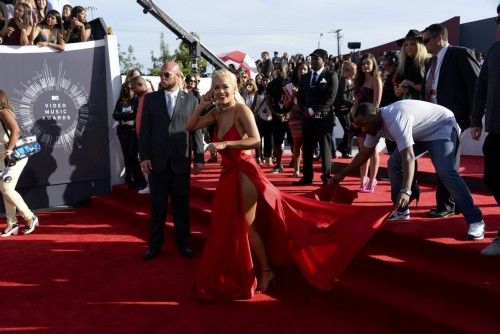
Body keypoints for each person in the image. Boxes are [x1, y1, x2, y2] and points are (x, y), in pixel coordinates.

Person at [186, 69, 388, 300]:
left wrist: (225, 145)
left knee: (246, 224)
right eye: (216, 87)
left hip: (244, 171)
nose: (220, 91)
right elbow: (190, 126)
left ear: (234, 88)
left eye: (224, 87)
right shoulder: (217, 113)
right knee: (224, 223)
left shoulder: (241, 110)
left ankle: (265, 270)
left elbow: (255, 139)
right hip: (227, 174)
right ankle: (235, 268)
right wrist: (201, 105)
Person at [332, 100, 486, 240]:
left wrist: (406, 190)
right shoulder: (373, 126)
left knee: (445, 171)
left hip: (441, 126)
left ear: (374, 117)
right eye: (359, 126)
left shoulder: (396, 119)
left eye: (363, 125)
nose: (362, 129)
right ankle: (401, 210)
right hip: (419, 132)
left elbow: (409, 157)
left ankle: (476, 220)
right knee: (394, 163)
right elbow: (363, 155)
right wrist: (340, 175)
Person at [138, 61, 204, 260]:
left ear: (178, 75)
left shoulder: (192, 100)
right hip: (157, 162)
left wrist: (199, 158)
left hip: (180, 161)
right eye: (161, 74)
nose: (162, 78)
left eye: (167, 75)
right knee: (157, 207)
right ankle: (154, 246)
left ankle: (183, 244)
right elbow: (144, 132)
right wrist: (144, 157)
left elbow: (196, 132)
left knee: (181, 207)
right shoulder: (150, 99)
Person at [421, 23, 480, 218]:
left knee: (446, 163)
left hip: (454, 118)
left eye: (426, 40)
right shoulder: (430, 62)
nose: (424, 44)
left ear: (439, 38)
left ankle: (448, 205)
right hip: (433, 118)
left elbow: (476, 85)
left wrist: (475, 117)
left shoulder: (460, 54)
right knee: (442, 162)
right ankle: (449, 204)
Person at [470, 4, 500, 256]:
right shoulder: (494, 50)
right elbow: (481, 87)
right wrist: (476, 120)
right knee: (492, 177)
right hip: (497, 128)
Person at [294, 48, 338, 186]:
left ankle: (326, 177)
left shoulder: (331, 75)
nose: (313, 61)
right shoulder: (305, 77)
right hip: (307, 118)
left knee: (325, 148)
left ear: (324, 60)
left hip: (323, 118)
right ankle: (307, 177)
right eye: (312, 58)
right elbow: (300, 97)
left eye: (316, 58)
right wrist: (304, 110)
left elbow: (330, 98)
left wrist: (313, 110)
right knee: (307, 148)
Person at [0, 90, 39, 237]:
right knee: (4, 189)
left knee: (6, 187)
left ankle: (30, 217)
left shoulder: (3, 112)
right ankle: (12, 223)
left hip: (13, 156)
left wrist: (9, 152)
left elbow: (15, 131)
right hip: (2, 157)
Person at [352, 53, 382, 193]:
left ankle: (372, 180)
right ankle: (362, 180)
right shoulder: (359, 80)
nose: (365, 66)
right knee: (362, 151)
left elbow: (376, 103)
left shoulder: (376, 80)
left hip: (370, 120)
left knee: (372, 150)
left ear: (373, 64)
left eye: (368, 63)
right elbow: (356, 102)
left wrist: (370, 121)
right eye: (363, 63)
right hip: (359, 119)